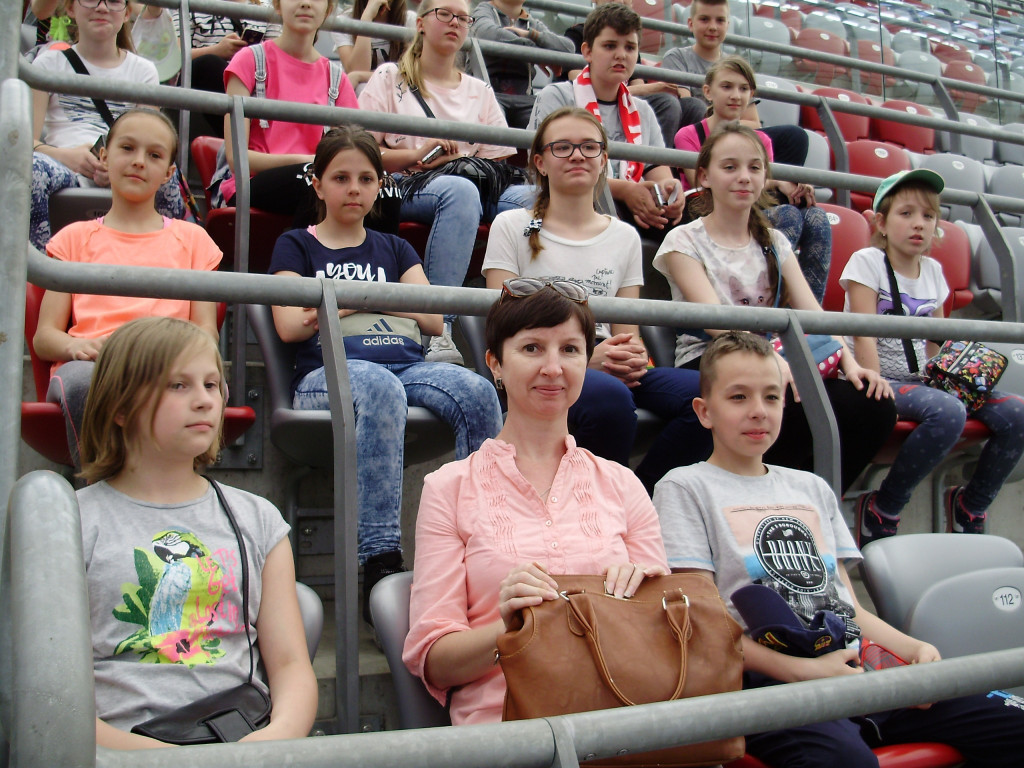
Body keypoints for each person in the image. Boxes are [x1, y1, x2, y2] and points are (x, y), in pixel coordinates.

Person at [653, 330, 1024, 768]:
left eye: (771, 397)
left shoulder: (810, 487)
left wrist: (914, 649)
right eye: (738, 398)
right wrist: (805, 672)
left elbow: (849, 606)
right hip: (767, 683)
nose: (758, 411)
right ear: (704, 410)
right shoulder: (683, 486)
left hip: (855, 668)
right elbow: (703, 623)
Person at [404, 282, 669, 725]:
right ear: (496, 364)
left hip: (626, 721)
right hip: (511, 731)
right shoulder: (447, 487)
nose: (553, 368)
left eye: (570, 349)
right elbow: (435, 660)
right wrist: (508, 629)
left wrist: (644, 602)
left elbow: (669, 631)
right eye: (531, 348)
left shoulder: (623, 484)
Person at [268, 126, 503, 622]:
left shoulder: (393, 248)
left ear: (380, 186)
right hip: (325, 374)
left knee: (479, 392)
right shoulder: (295, 245)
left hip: (405, 363)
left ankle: (487, 541)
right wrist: (365, 298)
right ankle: (379, 561)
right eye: (341, 178)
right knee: (380, 388)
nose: (354, 188)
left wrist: (339, 298)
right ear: (318, 183)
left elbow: (433, 317)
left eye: (366, 178)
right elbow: (289, 324)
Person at [78, 316, 317, 749]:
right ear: (120, 406)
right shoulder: (71, 523)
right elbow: (51, 696)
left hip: (243, 742)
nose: (205, 400)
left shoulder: (258, 519)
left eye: (212, 385)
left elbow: (290, 666)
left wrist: (270, 744)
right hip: (119, 751)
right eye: (178, 385)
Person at [653, 122, 896, 493]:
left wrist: (850, 363)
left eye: (754, 167)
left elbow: (813, 315)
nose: (744, 177)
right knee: (784, 395)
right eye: (730, 167)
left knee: (872, 403)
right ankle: (759, 494)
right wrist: (771, 360)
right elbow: (717, 321)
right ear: (704, 175)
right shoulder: (683, 240)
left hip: (775, 360)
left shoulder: (775, 241)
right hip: (712, 356)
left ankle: (812, 500)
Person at [483, 106, 702, 492]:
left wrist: (630, 355)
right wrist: (581, 358)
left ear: (604, 161)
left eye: (589, 147)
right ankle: (596, 510)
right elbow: (501, 320)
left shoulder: (624, 237)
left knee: (708, 396)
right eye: (563, 147)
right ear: (540, 162)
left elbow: (626, 329)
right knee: (609, 400)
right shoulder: (512, 225)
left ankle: (642, 494)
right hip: (542, 358)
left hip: (605, 357)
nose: (578, 156)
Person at [842, 170, 1024, 543]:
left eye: (928, 216)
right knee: (948, 410)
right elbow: (863, 332)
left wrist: (954, 382)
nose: (918, 225)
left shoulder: (936, 271)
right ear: (882, 222)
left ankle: (971, 505)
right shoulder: (867, 261)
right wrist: (875, 383)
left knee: (1017, 413)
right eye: (906, 214)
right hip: (879, 377)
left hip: (923, 381)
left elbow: (936, 344)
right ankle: (884, 507)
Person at [33, 108, 221, 467]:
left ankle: (174, 491)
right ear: (104, 155)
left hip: (169, 361)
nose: (138, 162)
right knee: (83, 384)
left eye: (153, 155)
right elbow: (45, 337)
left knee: (201, 387)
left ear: (169, 173)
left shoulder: (194, 239)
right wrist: (77, 345)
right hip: (95, 365)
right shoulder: (72, 239)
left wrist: (170, 360)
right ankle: (103, 488)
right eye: (127, 148)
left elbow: (205, 333)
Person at [358, 0, 534, 364]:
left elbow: (497, 160)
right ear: (421, 23)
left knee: (534, 200)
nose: (455, 22)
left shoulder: (477, 89)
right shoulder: (390, 77)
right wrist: (419, 154)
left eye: (463, 17)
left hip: (467, 179)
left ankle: (535, 321)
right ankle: (439, 328)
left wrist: (456, 162)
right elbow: (363, 153)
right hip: (406, 182)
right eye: (444, 14)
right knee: (460, 192)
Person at [28, 0, 184, 251]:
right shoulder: (48, 65)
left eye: (113, 1)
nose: (101, 8)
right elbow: (28, 142)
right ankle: (39, 272)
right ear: (70, 9)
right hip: (63, 168)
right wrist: (68, 157)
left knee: (166, 173)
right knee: (30, 168)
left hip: (125, 165)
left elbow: (149, 141)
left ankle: (162, 265)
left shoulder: (143, 71)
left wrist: (115, 164)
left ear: (126, 13)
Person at [675, 56, 831, 303]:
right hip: (706, 211)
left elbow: (761, 184)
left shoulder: (763, 140)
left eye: (744, 88)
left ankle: (809, 321)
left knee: (817, 218)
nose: (735, 95)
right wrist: (778, 181)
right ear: (708, 91)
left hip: (750, 210)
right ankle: (771, 306)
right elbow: (701, 183)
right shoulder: (689, 134)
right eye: (727, 87)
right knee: (788, 215)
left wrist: (794, 186)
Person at [528, 2, 684, 238]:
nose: (621, 55)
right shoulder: (558, 96)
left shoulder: (643, 110)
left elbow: (658, 171)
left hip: (629, 199)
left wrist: (670, 192)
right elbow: (550, 171)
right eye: (610, 46)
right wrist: (625, 191)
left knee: (679, 228)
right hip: (574, 197)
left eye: (630, 48)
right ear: (587, 51)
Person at [219, 0, 358, 220]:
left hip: (316, 175)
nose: (305, 3)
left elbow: (355, 150)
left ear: (328, 9)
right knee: (313, 184)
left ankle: (362, 254)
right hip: (254, 180)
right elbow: (237, 159)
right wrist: (310, 162)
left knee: (387, 190)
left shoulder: (336, 77)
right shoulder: (249, 59)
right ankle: (297, 253)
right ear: (277, 5)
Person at [660, 0, 808, 168]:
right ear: (690, 23)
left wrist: (727, 123)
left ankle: (783, 191)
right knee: (695, 106)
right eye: (704, 19)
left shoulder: (735, 65)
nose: (713, 27)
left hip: (736, 134)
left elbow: (753, 122)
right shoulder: (677, 57)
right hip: (699, 138)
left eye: (720, 21)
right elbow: (687, 108)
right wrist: (722, 120)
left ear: (728, 25)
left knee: (795, 136)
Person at [469, 0, 574, 128]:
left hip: (525, 100)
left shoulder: (531, 23)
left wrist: (532, 35)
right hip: (487, 94)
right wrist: (536, 52)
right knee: (496, 129)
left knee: (550, 133)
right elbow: (487, 33)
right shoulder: (483, 11)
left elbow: (569, 47)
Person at [173, 0, 271, 136]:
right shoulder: (189, 3)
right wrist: (216, 50)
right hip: (201, 89)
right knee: (209, 64)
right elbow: (173, 59)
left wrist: (246, 58)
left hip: (252, 86)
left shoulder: (268, 10)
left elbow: (277, 60)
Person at [331, 0, 414, 90]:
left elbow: (410, 75)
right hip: (361, 96)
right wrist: (367, 16)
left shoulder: (410, 20)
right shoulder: (345, 21)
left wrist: (361, 76)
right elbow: (356, 71)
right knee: (361, 87)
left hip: (397, 94)